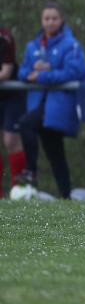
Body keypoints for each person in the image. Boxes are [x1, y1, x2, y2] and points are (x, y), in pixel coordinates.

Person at [17, 2, 85, 199]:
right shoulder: (33, 46)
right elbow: (22, 71)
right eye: (46, 18)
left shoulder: (71, 45)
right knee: (54, 152)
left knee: (25, 124)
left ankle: (31, 171)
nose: (50, 22)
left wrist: (42, 75)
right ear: (41, 20)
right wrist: (31, 73)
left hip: (58, 107)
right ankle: (65, 195)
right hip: (38, 104)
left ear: (62, 20)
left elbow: (75, 72)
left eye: (54, 18)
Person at [0, 27, 27, 197]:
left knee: (10, 141)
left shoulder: (4, 37)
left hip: (11, 96)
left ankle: (19, 189)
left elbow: (5, 72)